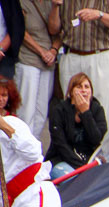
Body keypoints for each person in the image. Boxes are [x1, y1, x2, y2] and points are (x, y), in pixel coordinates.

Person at [59, 0, 109, 136]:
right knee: (70, 104)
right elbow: (54, 28)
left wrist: (99, 14)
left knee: (102, 106)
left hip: (99, 54)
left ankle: (100, 154)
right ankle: (71, 151)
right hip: (72, 54)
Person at [45, 73, 107, 179]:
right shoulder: (59, 110)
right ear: (71, 92)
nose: (83, 90)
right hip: (62, 160)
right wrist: (81, 167)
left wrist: (85, 113)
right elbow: (60, 144)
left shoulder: (97, 110)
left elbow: (96, 139)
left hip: (90, 159)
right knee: (77, 181)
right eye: (79, 86)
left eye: (86, 87)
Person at [14, 0, 61, 139]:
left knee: (41, 113)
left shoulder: (54, 3)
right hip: (28, 59)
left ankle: (34, 151)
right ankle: (22, 152)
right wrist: (41, 51)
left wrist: (53, 51)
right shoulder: (22, 2)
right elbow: (20, 30)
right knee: (26, 112)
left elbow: (60, 31)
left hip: (48, 61)